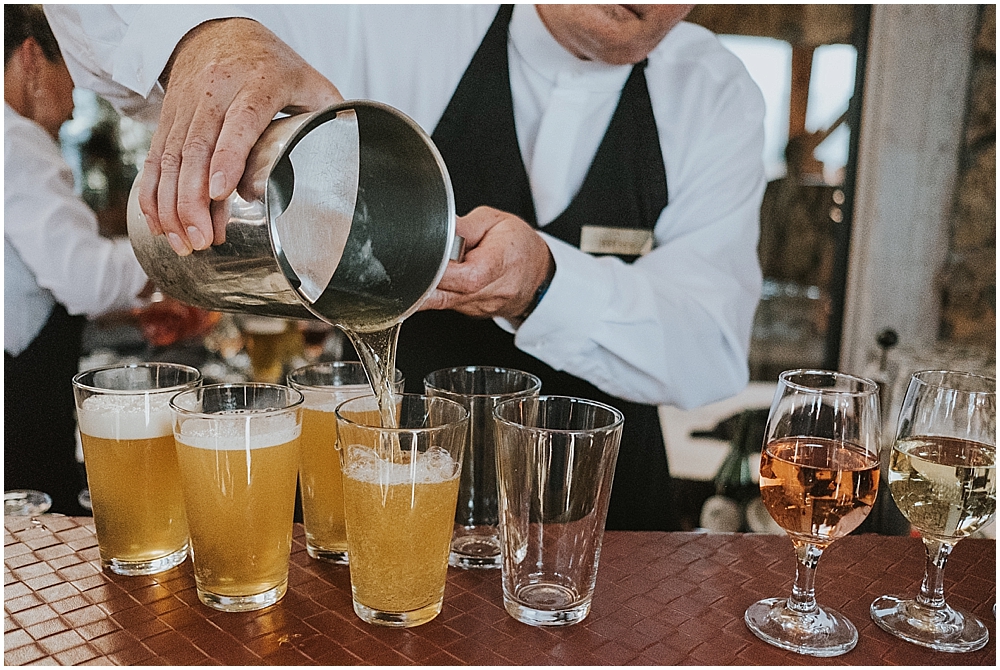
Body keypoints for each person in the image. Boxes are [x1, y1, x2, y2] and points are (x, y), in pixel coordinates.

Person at [47, 4, 766, 530]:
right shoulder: (402, 16)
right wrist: (203, 35)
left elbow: (711, 350)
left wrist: (547, 281)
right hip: (369, 501)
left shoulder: (711, 90)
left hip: (603, 533)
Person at [4, 5, 150, 515]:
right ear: (30, 58)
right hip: (19, 417)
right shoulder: (14, 138)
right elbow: (84, 279)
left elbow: (25, 285)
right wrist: (175, 263)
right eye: (72, 73)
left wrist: (134, 310)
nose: (74, 102)